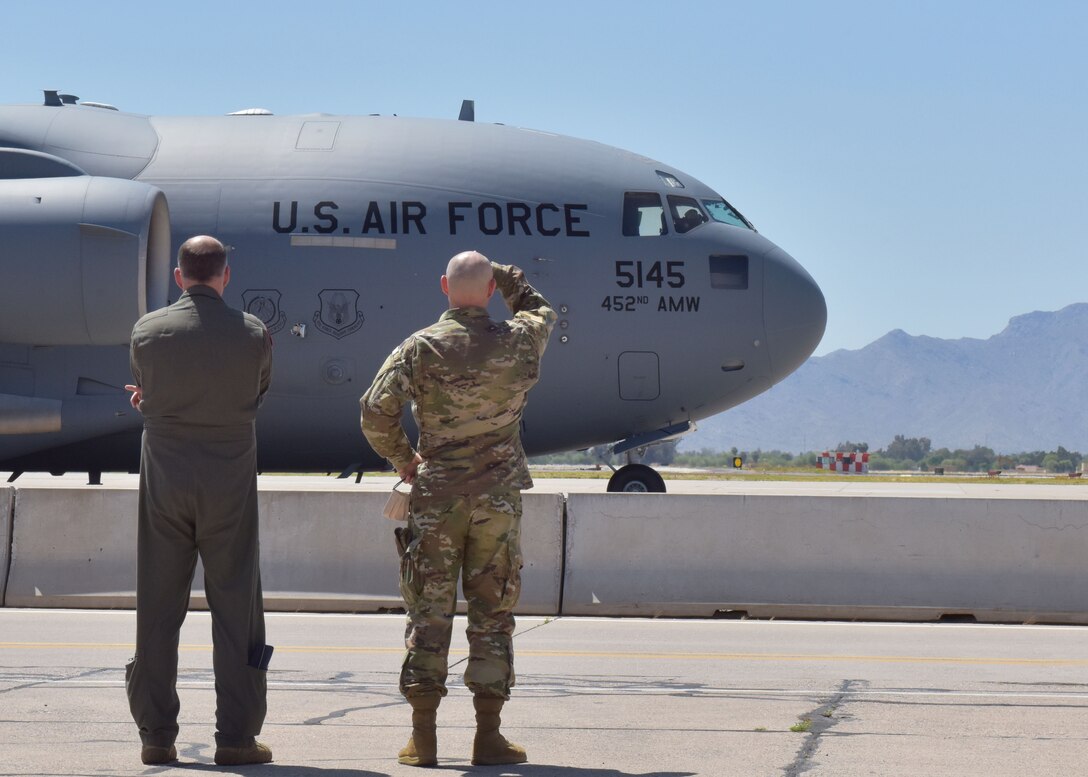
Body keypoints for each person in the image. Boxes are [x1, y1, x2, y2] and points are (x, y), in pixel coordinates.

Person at [361, 250, 556, 767]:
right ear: (491, 291)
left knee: (429, 613)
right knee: (492, 615)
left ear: (443, 286)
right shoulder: (518, 342)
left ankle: (423, 739)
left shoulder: (421, 347)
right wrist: (512, 278)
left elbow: (374, 412)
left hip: (437, 500)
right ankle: (488, 737)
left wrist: (407, 461)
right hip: (496, 501)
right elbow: (542, 312)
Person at [125, 235, 274, 766]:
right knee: (237, 611)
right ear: (225, 276)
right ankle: (236, 738)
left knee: (158, 610)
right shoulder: (253, 332)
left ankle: (156, 735)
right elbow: (254, 395)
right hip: (229, 490)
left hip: (165, 485)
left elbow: (148, 390)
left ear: (179, 276)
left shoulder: (148, 330)